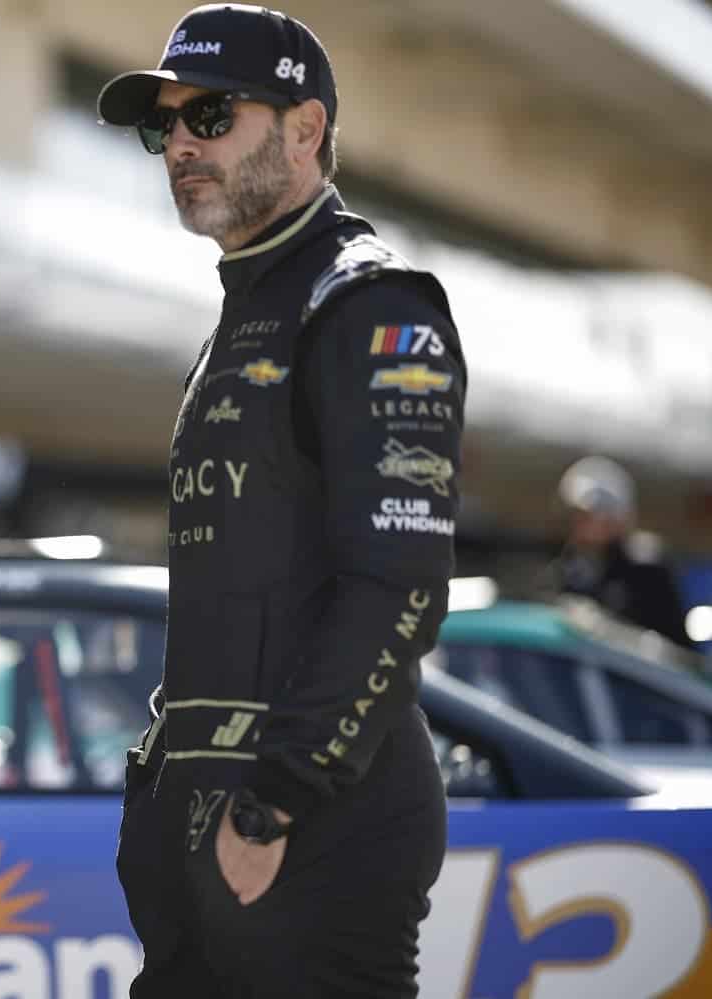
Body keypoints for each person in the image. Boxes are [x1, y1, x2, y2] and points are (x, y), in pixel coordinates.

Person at [97, 6, 467, 996]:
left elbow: (400, 585)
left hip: (312, 832)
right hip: (201, 828)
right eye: (163, 125)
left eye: (210, 115)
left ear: (304, 130)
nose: (179, 143)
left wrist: (274, 803)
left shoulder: (372, 306)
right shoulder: (246, 313)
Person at [552, 455, 691, 648]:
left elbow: (670, 645)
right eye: (577, 516)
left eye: (589, 516)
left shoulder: (645, 567)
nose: (580, 525)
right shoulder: (570, 566)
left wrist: (605, 628)